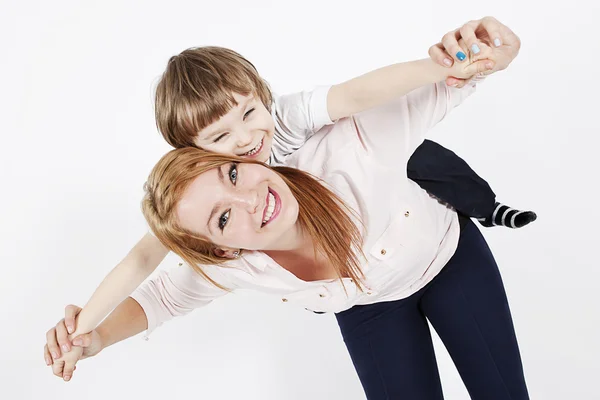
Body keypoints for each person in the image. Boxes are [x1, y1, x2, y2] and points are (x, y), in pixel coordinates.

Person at [44, 18, 530, 398]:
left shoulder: (317, 132)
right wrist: (89, 332)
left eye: (250, 116)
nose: (246, 142)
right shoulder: (224, 245)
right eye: (221, 144)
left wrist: (456, 60)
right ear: (194, 152)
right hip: (369, 305)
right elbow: (154, 279)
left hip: (445, 260)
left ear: (263, 96)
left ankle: (488, 205)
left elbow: (366, 93)